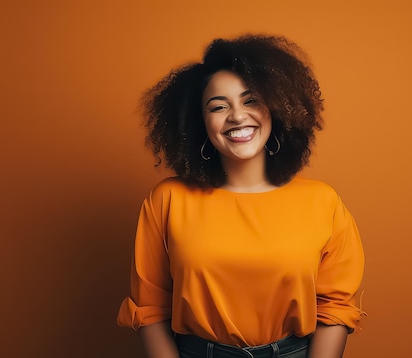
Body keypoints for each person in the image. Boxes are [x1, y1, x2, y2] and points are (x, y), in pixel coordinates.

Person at [117, 34, 365, 358]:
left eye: (251, 101)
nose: (236, 116)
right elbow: (149, 309)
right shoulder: (167, 200)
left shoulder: (322, 202)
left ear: (275, 110)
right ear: (200, 123)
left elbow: (335, 310)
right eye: (219, 106)